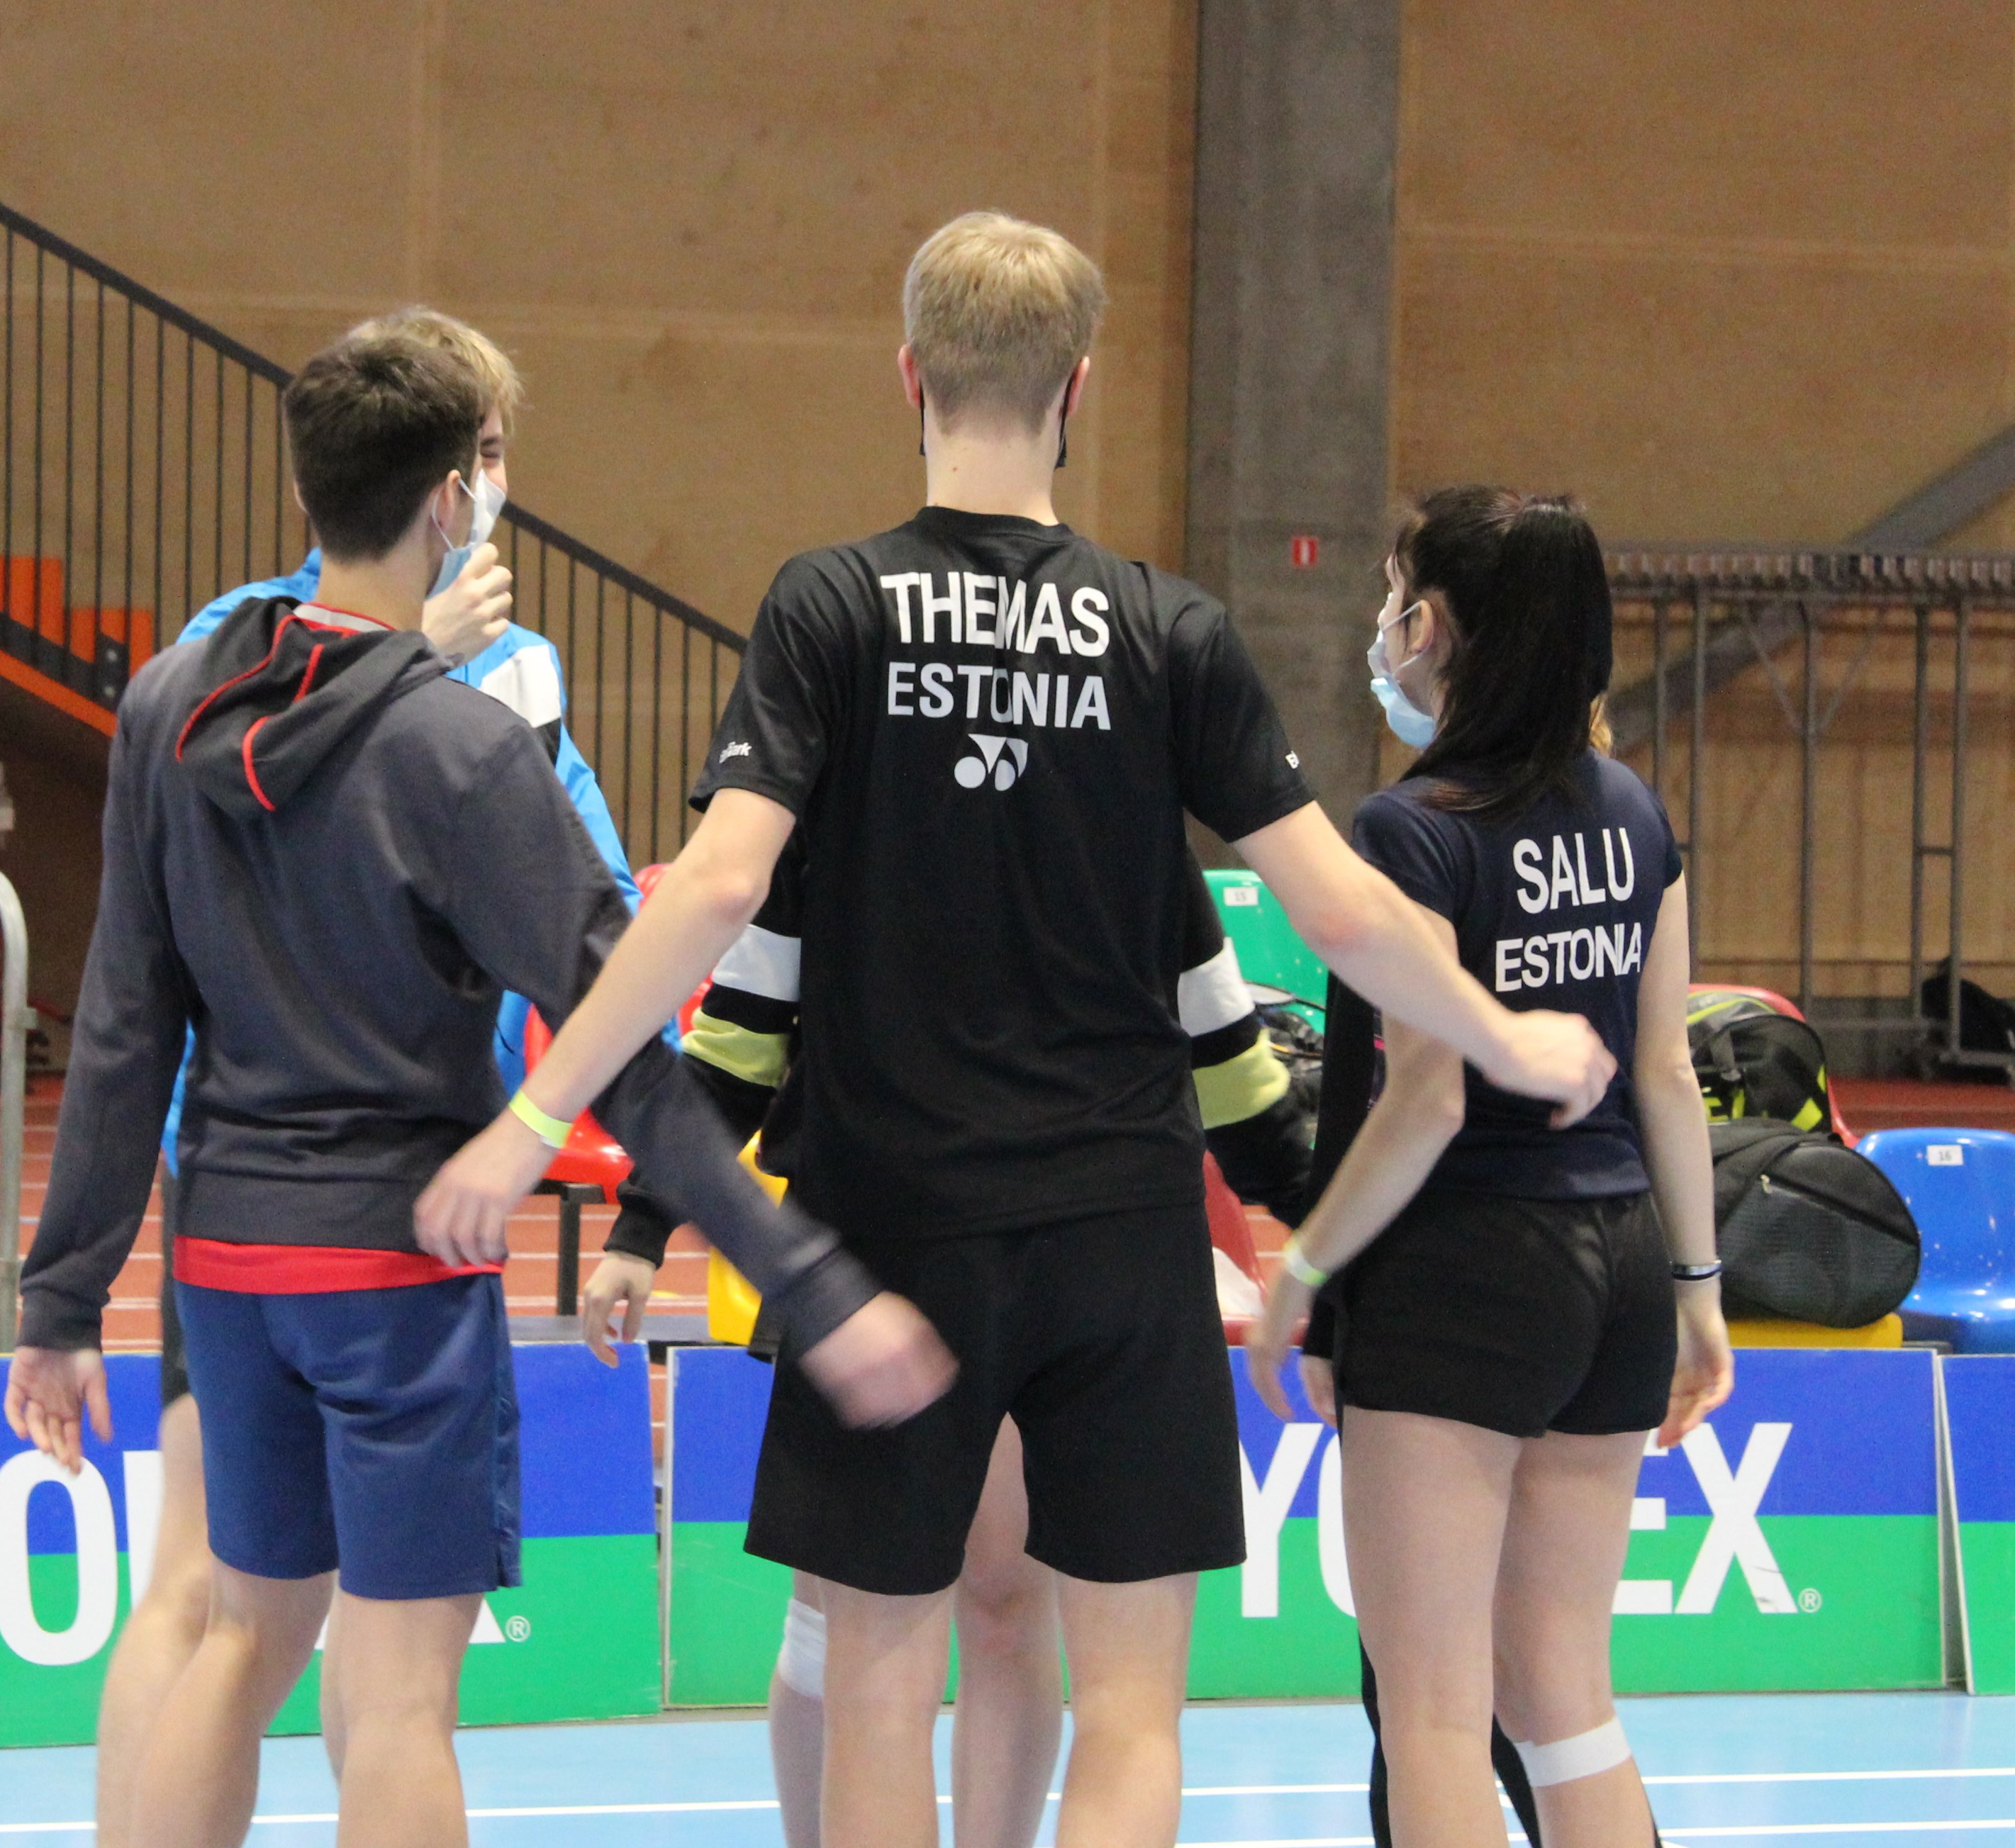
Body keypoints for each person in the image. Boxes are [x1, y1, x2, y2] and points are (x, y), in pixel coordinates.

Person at [415, 211, 1612, 1848]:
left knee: (876, 1681)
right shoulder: (1169, 631)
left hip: (890, 1222)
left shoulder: (827, 606)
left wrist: (541, 1113)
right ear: (1078, 388)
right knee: (1127, 1709)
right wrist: (1507, 1037)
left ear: (907, 375)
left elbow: (725, 893)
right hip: (1122, 1234)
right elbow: (1336, 909)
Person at [4, 325, 950, 1848]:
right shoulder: (465, 749)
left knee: (240, 1635)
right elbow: (620, 1050)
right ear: (454, 498)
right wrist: (813, 1282)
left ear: (306, 487)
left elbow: (121, 1024)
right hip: (395, 1268)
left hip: (224, 1259)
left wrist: (58, 1303)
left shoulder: (169, 704)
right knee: (394, 1705)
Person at [92, 306, 645, 1848]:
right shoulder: (331, 645)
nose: (492, 483)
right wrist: (420, 666)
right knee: (287, 1617)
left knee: (294, 1616)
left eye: (501, 448)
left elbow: (592, 905)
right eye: (484, 454)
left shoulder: (472, 667)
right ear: (441, 482)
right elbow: (593, 945)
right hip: (318, 1192)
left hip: (317, 1191)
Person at [579, 845, 1315, 1848]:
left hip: (1072, 1245)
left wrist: (1322, 1230)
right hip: (882, 1236)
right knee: (841, 1633)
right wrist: (642, 1222)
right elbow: (740, 1029)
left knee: (1006, 1597)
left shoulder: (1127, 808)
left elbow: (1220, 1034)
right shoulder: (835, 805)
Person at [1248, 489, 1734, 1848]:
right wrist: (1699, 1294)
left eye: (1394, 595)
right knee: (1565, 1697)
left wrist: (1307, 1270)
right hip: (1621, 1270)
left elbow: (1425, 1101)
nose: (1380, 625)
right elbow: (1665, 1073)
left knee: (1436, 1715)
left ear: (1439, 629)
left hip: (1462, 1276)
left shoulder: (1412, 830)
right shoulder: (1635, 813)